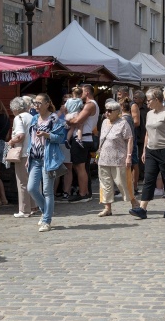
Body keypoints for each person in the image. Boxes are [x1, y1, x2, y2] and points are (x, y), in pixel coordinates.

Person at [130, 88, 165, 220]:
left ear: (157, 100)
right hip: (151, 150)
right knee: (149, 178)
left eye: (149, 100)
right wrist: (145, 149)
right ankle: (142, 208)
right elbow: (147, 133)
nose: (147, 103)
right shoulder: (149, 114)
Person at [26, 93, 67, 232]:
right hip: (35, 159)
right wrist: (28, 156)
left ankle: (47, 221)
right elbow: (31, 139)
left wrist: (47, 135)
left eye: (38, 103)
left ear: (47, 104)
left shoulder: (54, 119)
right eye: (34, 103)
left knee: (47, 191)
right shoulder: (34, 119)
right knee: (31, 188)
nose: (35, 105)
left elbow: (61, 138)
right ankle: (45, 211)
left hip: (48, 159)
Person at [96, 100, 137, 217]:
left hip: (118, 158)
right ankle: (107, 207)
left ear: (117, 112)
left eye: (109, 111)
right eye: (106, 110)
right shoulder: (104, 122)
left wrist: (129, 156)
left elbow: (129, 139)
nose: (107, 113)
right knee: (105, 183)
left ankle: (134, 202)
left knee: (122, 182)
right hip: (104, 158)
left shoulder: (123, 123)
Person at [66, 84, 99, 202]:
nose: (80, 94)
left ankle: (83, 193)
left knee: (80, 167)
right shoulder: (89, 105)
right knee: (81, 167)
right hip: (85, 138)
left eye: (82, 91)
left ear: (87, 93)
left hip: (82, 139)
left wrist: (69, 120)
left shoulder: (90, 105)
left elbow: (78, 120)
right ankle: (86, 192)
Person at [7, 97, 36, 218]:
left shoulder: (19, 118)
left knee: (22, 182)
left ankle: (24, 210)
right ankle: (34, 206)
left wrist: (10, 142)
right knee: (32, 181)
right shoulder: (31, 117)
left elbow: (20, 136)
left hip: (23, 153)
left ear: (15, 109)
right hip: (34, 152)